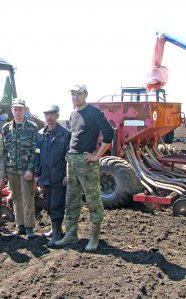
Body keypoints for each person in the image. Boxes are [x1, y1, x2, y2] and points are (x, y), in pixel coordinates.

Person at [55, 84, 114, 252]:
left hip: (86, 162)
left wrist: (97, 156)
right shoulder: (73, 113)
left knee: (93, 200)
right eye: (72, 94)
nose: (74, 97)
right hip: (72, 161)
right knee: (71, 200)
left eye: (78, 94)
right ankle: (71, 234)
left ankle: (94, 238)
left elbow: (109, 134)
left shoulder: (94, 113)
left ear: (85, 94)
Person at [34, 104, 70, 247]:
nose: (49, 117)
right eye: (47, 115)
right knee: (48, 203)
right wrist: (37, 174)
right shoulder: (40, 134)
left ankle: (56, 234)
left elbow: (69, 156)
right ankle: (55, 229)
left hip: (59, 176)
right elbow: (36, 154)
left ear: (57, 116)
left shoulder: (65, 134)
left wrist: (67, 174)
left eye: (52, 114)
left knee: (57, 204)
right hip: (45, 176)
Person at [2, 98, 38, 238]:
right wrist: (5, 171)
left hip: (25, 171)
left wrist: (30, 169)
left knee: (28, 199)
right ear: (12, 110)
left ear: (24, 110)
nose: (17, 112)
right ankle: (20, 225)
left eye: (20, 109)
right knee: (16, 199)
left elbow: (35, 151)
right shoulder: (6, 129)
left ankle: (29, 227)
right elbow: (4, 151)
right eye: (15, 109)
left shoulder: (31, 128)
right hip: (12, 170)